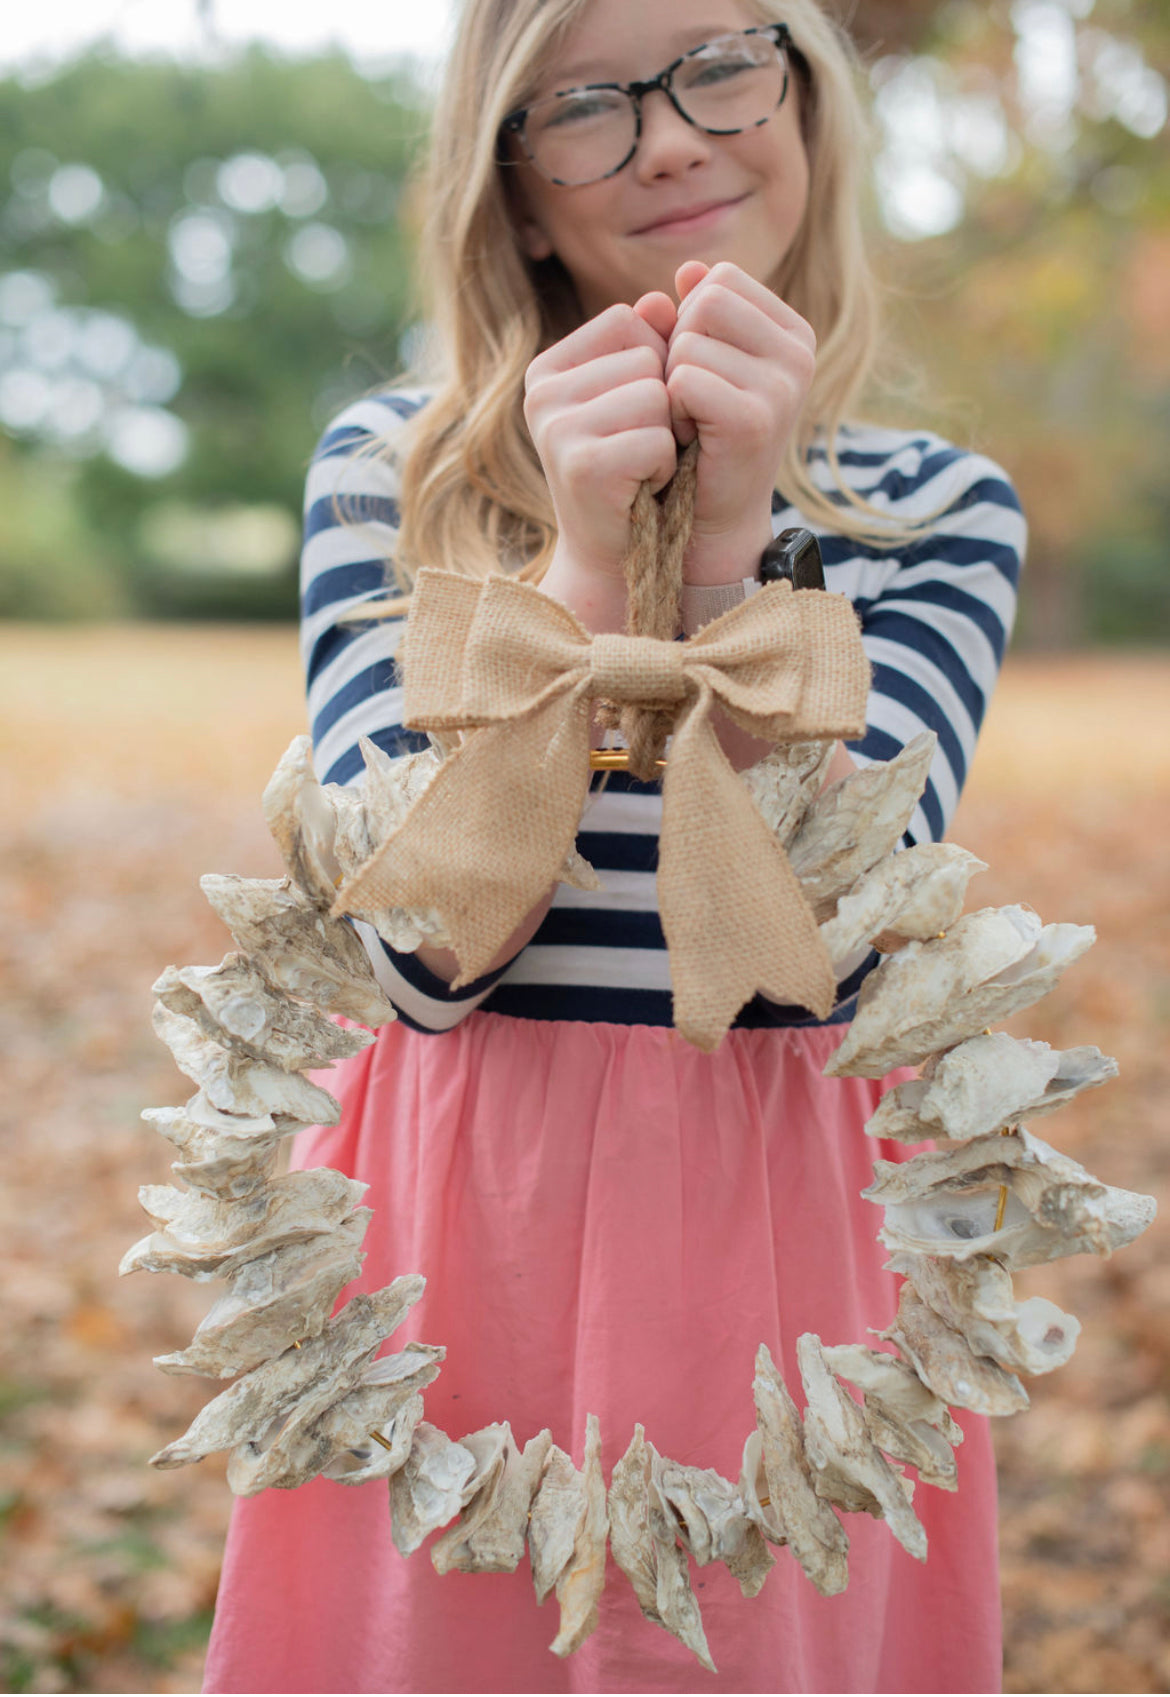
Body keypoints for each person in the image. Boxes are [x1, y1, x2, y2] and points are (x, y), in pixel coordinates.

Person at [202, 0, 1025, 1690]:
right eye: (583, 104)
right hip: (452, 1207)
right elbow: (411, 949)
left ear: (804, 100)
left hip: (784, 1219)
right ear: (510, 187)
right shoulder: (399, 475)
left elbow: (831, 943)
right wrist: (584, 572)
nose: (667, 133)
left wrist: (727, 551)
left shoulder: (938, 509)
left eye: (722, 61)